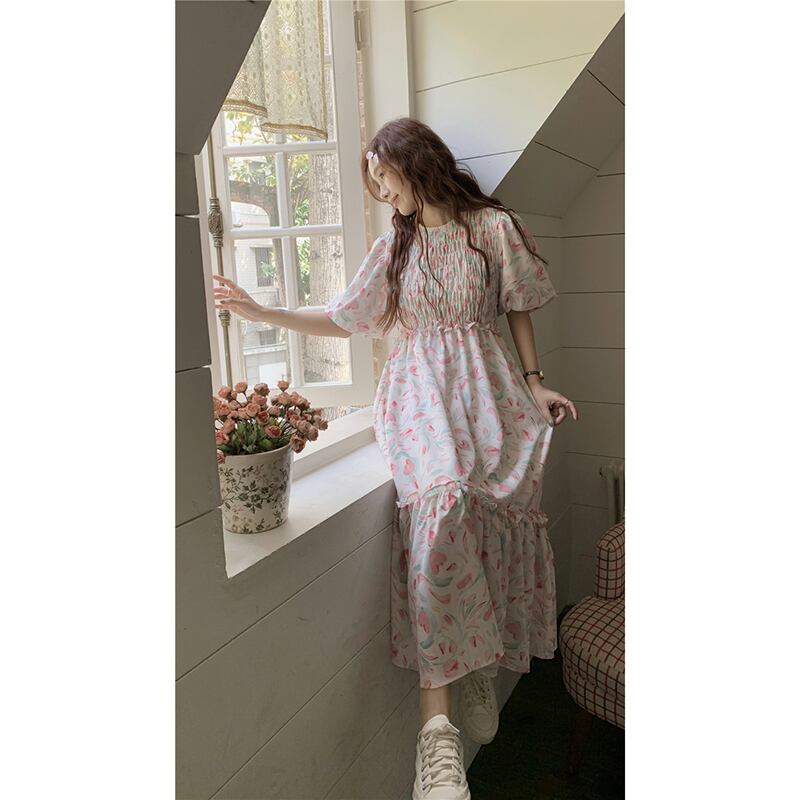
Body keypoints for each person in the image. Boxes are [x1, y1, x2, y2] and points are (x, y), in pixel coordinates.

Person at [213, 117, 578, 800]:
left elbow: (518, 306)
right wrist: (265, 314)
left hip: (487, 384)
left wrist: (534, 383)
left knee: (485, 508)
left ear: (411, 160)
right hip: (417, 392)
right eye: (373, 182)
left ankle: (478, 660)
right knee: (442, 504)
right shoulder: (395, 247)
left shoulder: (491, 228)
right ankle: (436, 736)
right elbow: (343, 318)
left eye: (382, 175)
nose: (381, 191)